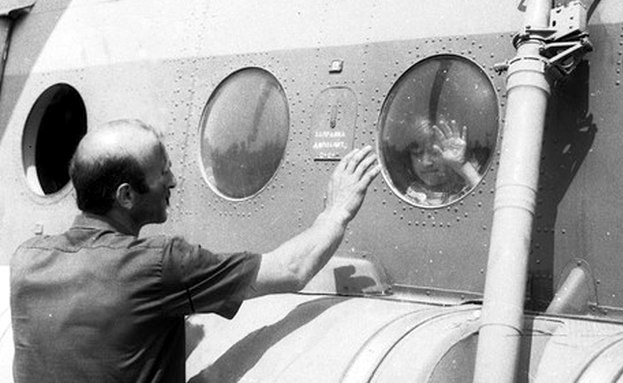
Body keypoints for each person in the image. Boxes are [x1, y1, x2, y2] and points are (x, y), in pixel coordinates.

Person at [10, 119, 380, 383]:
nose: (172, 180)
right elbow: (290, 269)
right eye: (162, 172)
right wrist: (338, 211)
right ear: (126, 195)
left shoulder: (27, 260)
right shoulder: (160, 265)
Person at [405, 118, 482, 205]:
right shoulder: (407, 197)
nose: (426, 163)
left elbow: (489, 203)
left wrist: (462, 166)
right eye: (417, 154)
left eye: (435, 153)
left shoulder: (469, 188)